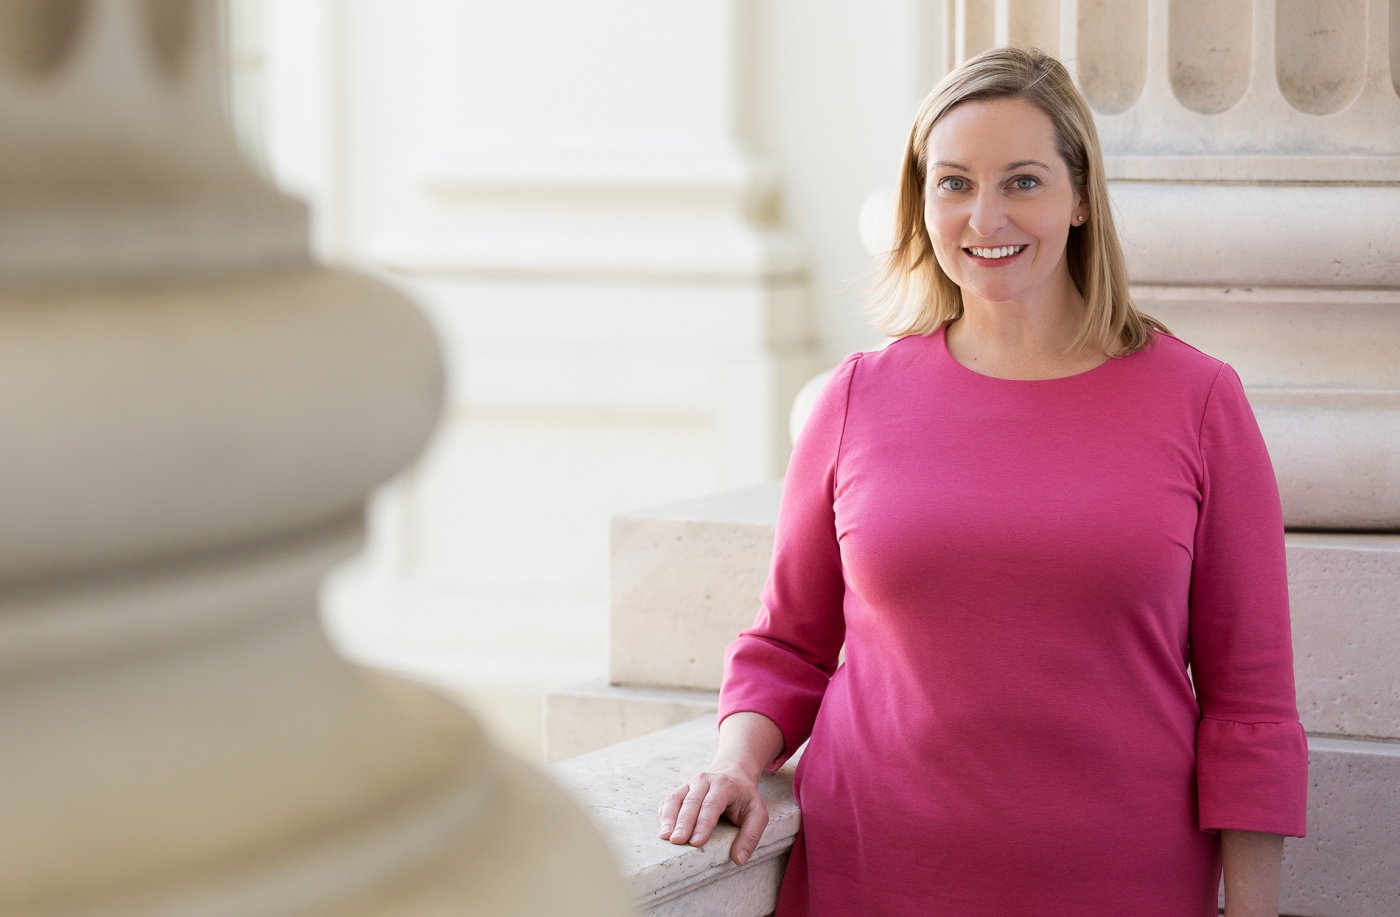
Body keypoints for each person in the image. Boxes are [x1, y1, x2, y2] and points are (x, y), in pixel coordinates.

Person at [657, 47, 1308, 916]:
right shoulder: (856, 398)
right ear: (921, 203)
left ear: (1080, 198)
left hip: (1122, 877)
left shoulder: (1198, 401)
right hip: (875, 872)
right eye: (954, 183)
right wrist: (736, 761)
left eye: (1023, 181)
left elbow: (1249, 705)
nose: (985, 215)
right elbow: (788, 645)